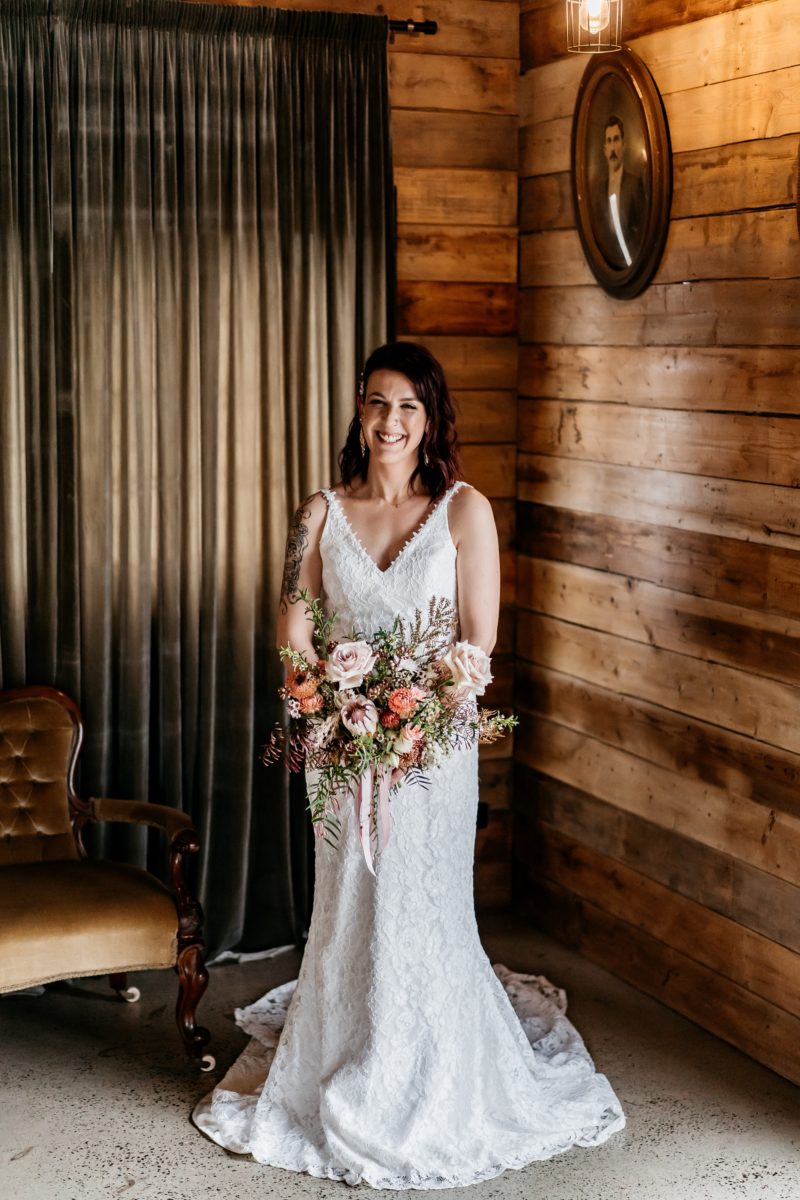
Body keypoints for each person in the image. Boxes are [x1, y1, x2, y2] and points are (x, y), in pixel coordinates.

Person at [192, 342, 625, 1188]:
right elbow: (295, 636)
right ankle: (346, 1050)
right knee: (352, 902)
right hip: (344, 750)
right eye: (377, 404)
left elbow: (478, 639)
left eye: (409, 408)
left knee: (420, 906)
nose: (390, 423)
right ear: (359, 410)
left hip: (433, 751)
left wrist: (416, 717)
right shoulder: (316, 514)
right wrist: (328, 709)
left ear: (432, 419)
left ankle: (432, 1068)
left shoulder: (464, 510)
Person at [590, 113, 646, 269]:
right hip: (606, 266)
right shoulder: (598, 190)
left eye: (616, 139)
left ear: (624, 144)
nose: (613, 147)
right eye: (609, 141)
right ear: (604, 149)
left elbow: (642, 230)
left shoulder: (634, 184)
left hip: (630, 262)